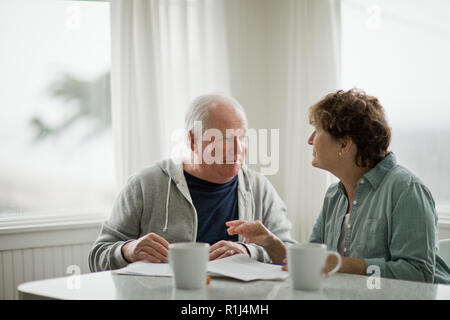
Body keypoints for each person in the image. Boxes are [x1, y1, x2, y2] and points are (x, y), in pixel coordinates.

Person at [227, 89, 450, 283]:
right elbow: (313, 262)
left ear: (344, 144)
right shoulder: (334, 195)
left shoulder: (406, 190)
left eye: (317, 131)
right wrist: (269, 241)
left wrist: (341, 264)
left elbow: (418, 274)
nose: (310, 140)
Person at [88, 93, 295, 272]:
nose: (238, 149)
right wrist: (128, 250)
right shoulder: (144, 185)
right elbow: (97, 257)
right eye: (224, 139)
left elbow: (288, 254)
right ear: (193, 140)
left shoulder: (259, 188)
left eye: (242, 137)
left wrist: (250, 251)